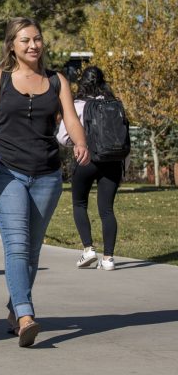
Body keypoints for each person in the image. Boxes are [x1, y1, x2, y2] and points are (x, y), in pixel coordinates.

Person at [0, 17, 90, 348]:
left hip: (47, 174)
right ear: (12, 46)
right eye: (25, 41)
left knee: (33, 248)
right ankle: (25, 315)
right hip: (5, 171)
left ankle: (14, 308)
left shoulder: (57, 81)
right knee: (17, 244)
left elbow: (72, 120)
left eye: (37, 39)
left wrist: (80, 142)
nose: (33, 45)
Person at [57, 66, 128, 272]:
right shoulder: (115, 105)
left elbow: (62, 137)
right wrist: (124, 164)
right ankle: (108, 259)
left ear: (83, 83)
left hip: (86, 160)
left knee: (79, 203)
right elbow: (124, 137)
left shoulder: (78, 105)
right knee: (106, 209)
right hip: (113, 162)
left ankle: (88, 250)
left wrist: (78, 143)